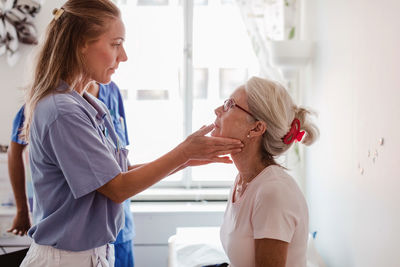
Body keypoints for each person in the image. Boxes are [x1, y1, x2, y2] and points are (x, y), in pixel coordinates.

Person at [18, 0, 243, 266]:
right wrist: (184, 151)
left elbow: (119, 175)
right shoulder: (62, 111)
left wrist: (188, 158)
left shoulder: (90, 105)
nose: (123, 56)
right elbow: (117, 188)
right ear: (81, 43)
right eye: (115, 44)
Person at [8, 81, 137, 267]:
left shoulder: (110, 92)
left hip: (115, 230)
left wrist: (183, 159)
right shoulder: (55, 106)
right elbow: (15, 149)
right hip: (73, 240)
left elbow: (120, 164)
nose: (122, 58)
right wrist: (22, 210)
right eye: (114, 48)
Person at [213, 76, 319, 267]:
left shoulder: (273, 192)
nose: (217, 111)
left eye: (229, 105)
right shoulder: (243, 180)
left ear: (256, 128)